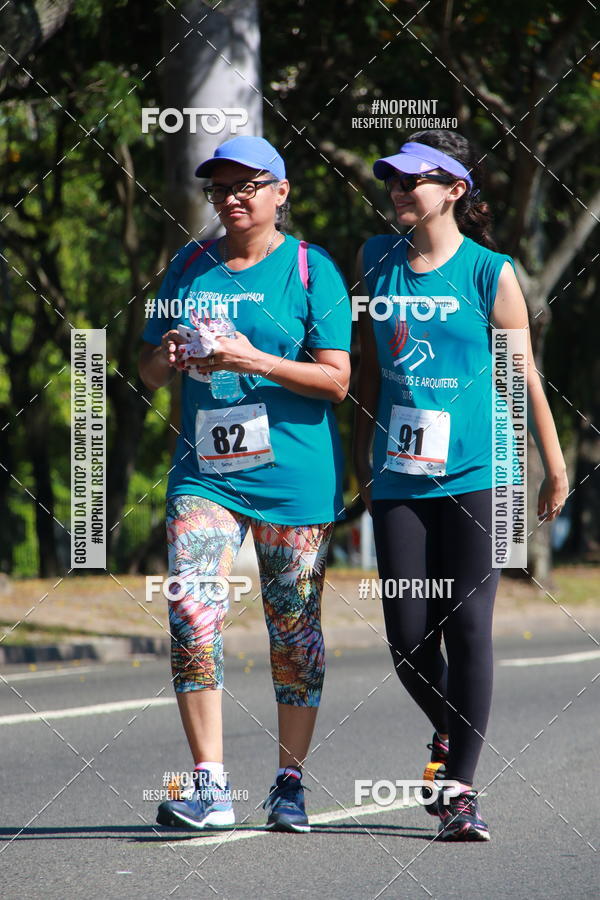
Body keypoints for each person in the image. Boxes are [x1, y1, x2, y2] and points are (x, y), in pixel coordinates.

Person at [353, 130, 568, 841]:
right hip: (399, 477)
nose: (397, 189)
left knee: (469, 626)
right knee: (408, 637)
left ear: (454, 189)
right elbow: (367, 371)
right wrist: (357, 461)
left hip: (482, 474)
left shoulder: (490, 273)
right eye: (392, 179)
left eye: (412, 179)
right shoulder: (375, 260)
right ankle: (450, 728)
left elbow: (520, 374)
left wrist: (553, 463)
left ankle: (460, 793)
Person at [139, 136, 351, 832]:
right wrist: (167, 355)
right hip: (207, 474)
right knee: (191, 607)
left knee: (293, 628)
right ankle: (209, 784)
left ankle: (289, 783)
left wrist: (253, 358)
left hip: (294, 478)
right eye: (220, 188)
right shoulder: (187, 266)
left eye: (247, 185)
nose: (231, 198)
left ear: (281, 192)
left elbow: (337, 381)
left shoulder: (312, 270)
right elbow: (146, 372)